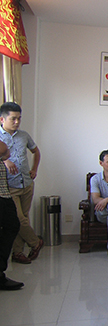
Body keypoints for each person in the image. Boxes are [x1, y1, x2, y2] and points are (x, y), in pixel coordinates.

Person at [0, 102, 43, 265]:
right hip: (8, 187)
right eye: (13, 119)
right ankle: (36, 242)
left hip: (26, 183)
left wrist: (34, 169)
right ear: (2, 119)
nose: (17, 122)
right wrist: (5, 161)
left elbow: (35, 151)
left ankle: (18, 253)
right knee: (18, 219)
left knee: (24, 218)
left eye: (19, 118)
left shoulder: (24, 135)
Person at [0, 140, 23, 290]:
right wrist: (5, 155)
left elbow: (5, 152)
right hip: (1, 198)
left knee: (13, 226)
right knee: (12, 226)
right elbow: (4, 150)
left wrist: (5, 156)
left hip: (5, 195)